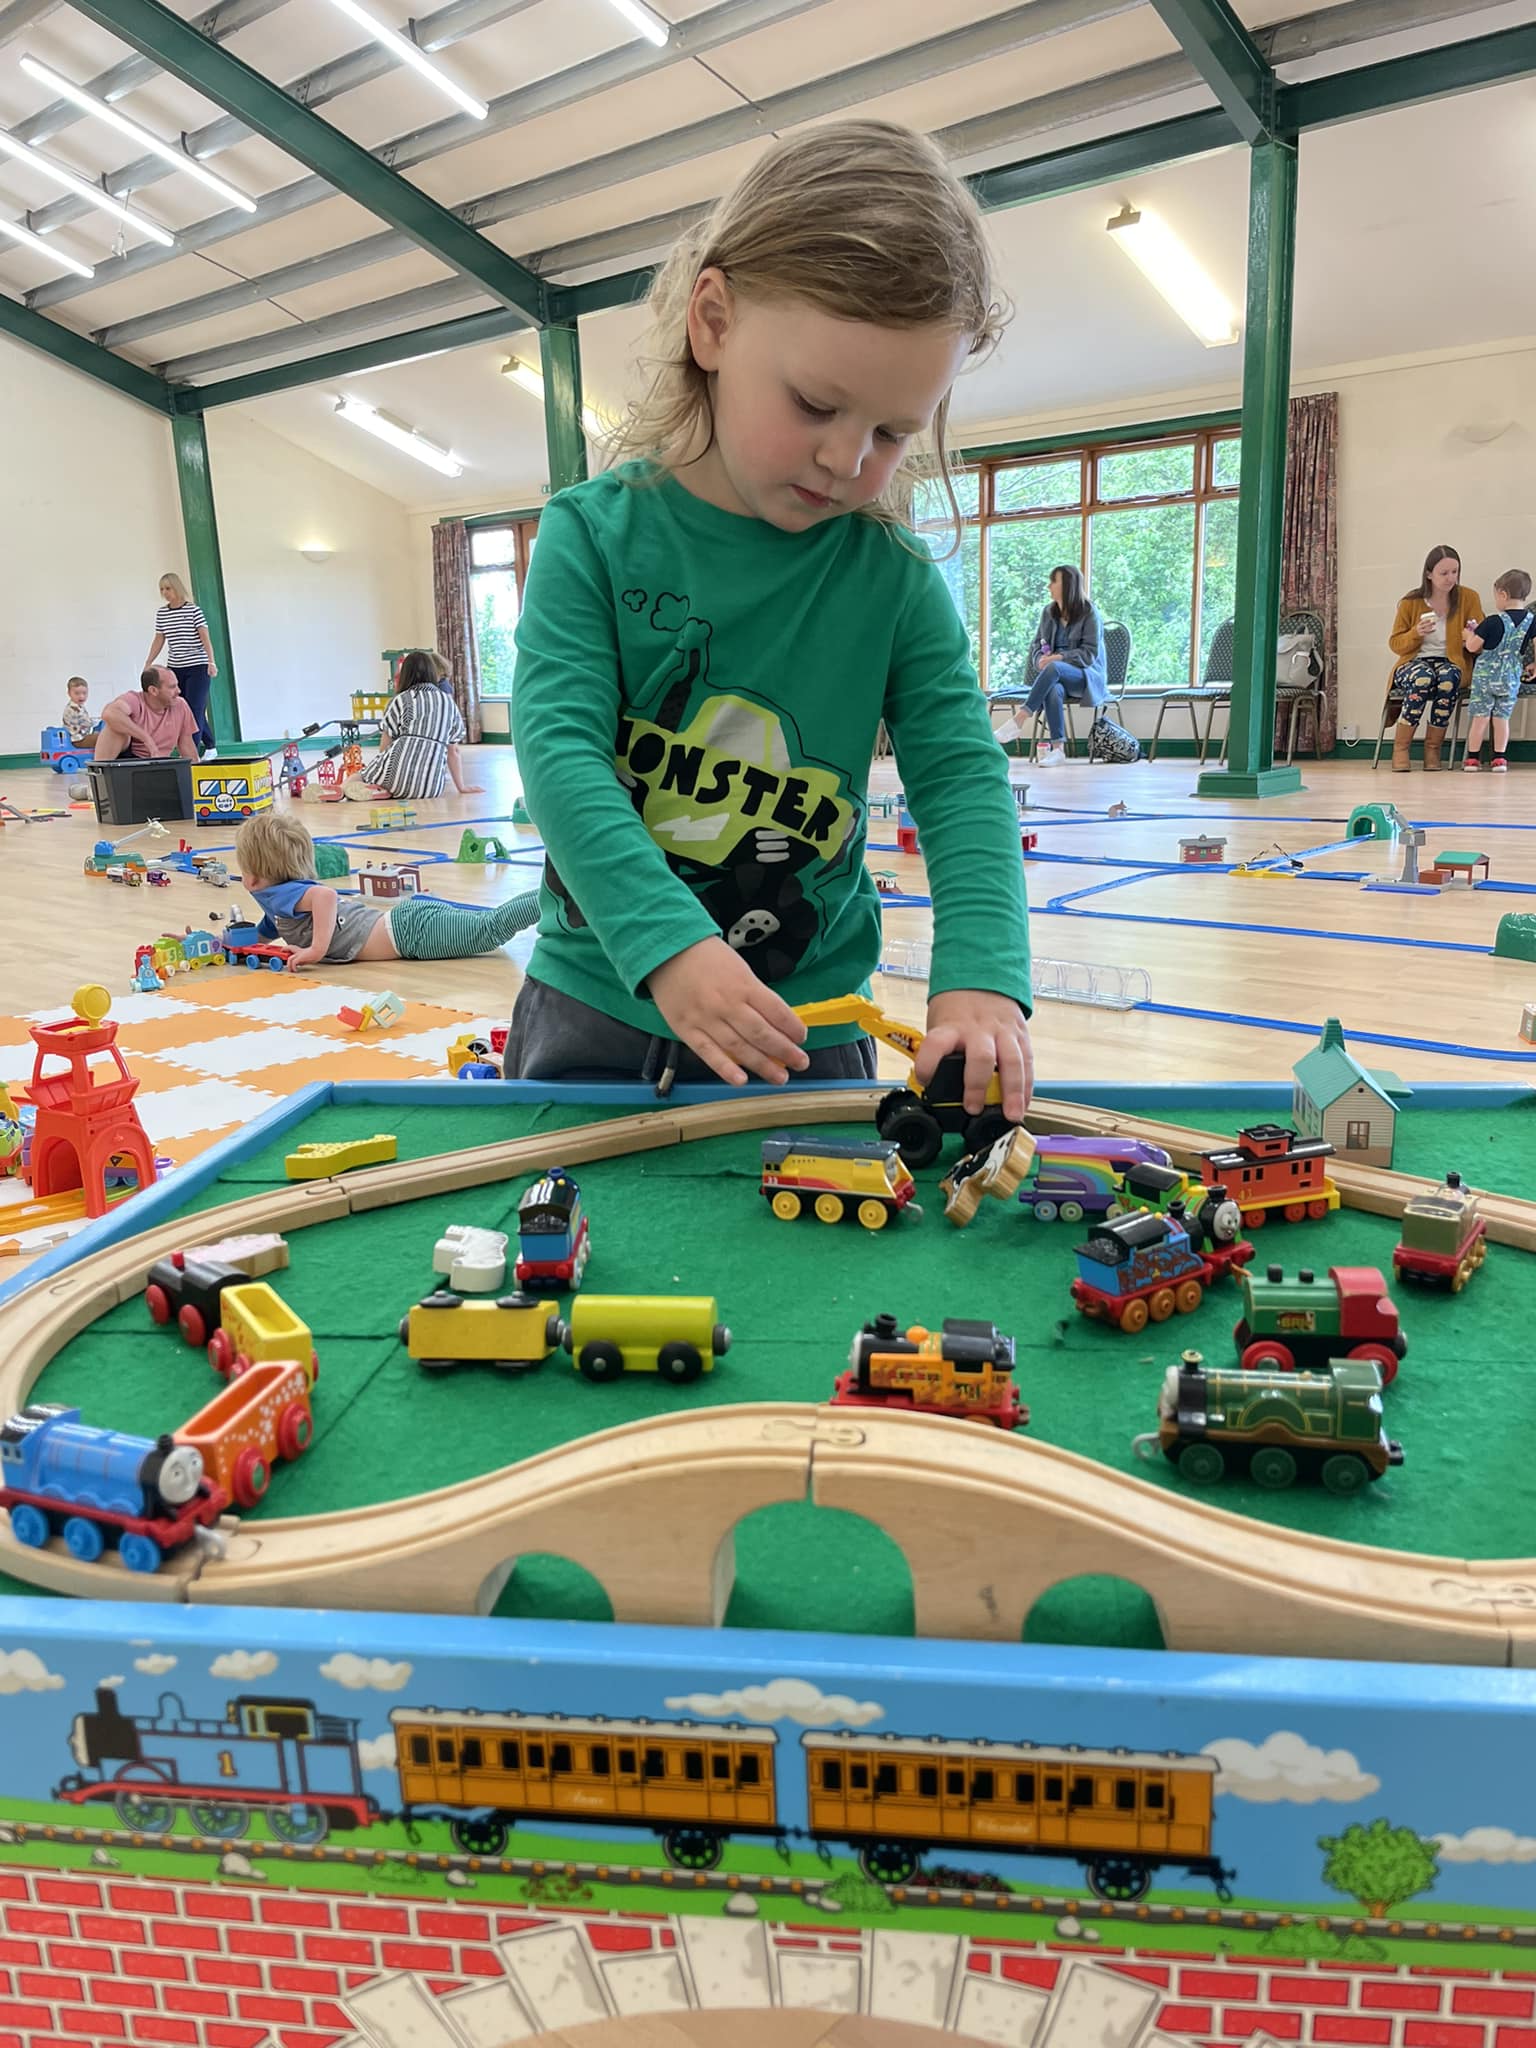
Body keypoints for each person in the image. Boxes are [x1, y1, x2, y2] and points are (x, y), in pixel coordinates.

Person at [508, 119, 1033, 1113]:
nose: (848, 458)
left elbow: (962, 776)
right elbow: (559, 753)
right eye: (815, 404)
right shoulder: (592, 536)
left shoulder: (893, 578)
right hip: (595, 1009)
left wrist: (981, 973)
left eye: (892, 431)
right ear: (712, 322)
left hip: (809, 1028)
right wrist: (667, 944)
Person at [235, 813, 536, 971]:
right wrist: (228, 945)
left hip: (409, 934)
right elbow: (261, 937)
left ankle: (552, 896)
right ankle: (549, 895)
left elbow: (325, 896)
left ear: (254, 877)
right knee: (489, 923)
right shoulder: (280, 905)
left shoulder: (285, 895)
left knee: (491, 929)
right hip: (408, 925)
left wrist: (316, 950)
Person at [1386, 546, 1483, 771]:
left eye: (1455, 572)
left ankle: (1433, 748)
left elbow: (1481, 640)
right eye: (1444, 573)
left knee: (1449, 679)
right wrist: (1415, 633)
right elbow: (1395, 644)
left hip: (1451, 661)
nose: (1451, 578)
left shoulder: (1469, 598)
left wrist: (1470, 639)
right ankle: (1401, 748)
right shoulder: (1410, 602)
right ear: (1429, 574)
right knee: (1423, 678)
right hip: (1414, 662)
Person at [349, 650, 483, 800]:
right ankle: (384, 790)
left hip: (393, 780)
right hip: (430, 789)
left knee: (358, 776)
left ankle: (348, 789)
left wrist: (377, 770)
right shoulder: (448, 703)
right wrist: (461, 787)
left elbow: (385, 747)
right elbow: (454, 751)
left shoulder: (400, 700)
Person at [1023, 565, 1108, 767]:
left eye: (1054, 581)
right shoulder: (1048, 612)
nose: (1049, 586)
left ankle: (1021, 716)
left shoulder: (1089, 613)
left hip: (1085, 677)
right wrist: (1040, 660)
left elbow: (1088, 654)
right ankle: (1058, 749)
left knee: (1054, 668)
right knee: (1053, 687)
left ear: (1068, 585)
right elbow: (1037, 645)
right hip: (1056, 675)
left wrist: (1058, 658)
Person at [1462, 570, 1535, 772]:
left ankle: (1473, 759)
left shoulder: (1492, 621)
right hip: (1511, 678)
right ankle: (1499, 759)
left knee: (1480, 718)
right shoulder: (1531, 620)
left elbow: (1472, 647)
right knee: (1502, 719)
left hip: (1485, 678)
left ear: (1503, 594)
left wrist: (1468, 635)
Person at [145, 573, 218, 757]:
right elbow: (159, 639)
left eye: (168, 588)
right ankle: (210, 745)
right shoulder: (162, 613)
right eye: (162, 589)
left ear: (177, 588)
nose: (165, 592)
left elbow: (205, 638)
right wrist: (149, 662)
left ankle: (190, 753)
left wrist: (211, 661)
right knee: (182, 707)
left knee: (195, 707)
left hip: (198, 666)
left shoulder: (193, 611)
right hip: (176, 667)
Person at [94, 667, 200, 762]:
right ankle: (100, 772)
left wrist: (197, 772)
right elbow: (109, 713)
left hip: (160, 762)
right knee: (114, 727)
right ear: (153, 690)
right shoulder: (134, 699)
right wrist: (146, 739)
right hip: (130, 760)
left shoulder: (180, 705)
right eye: (172, 687)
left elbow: (187, 744)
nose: (179, 691)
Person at [62, 676, 94, 744]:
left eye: (84, 693)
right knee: (101, 738)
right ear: (69, 693)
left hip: (82, 736)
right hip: (76, 739)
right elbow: (87, 723)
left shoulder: (80, 706)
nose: (81, 696)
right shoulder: (72, 708)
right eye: (77, 693)